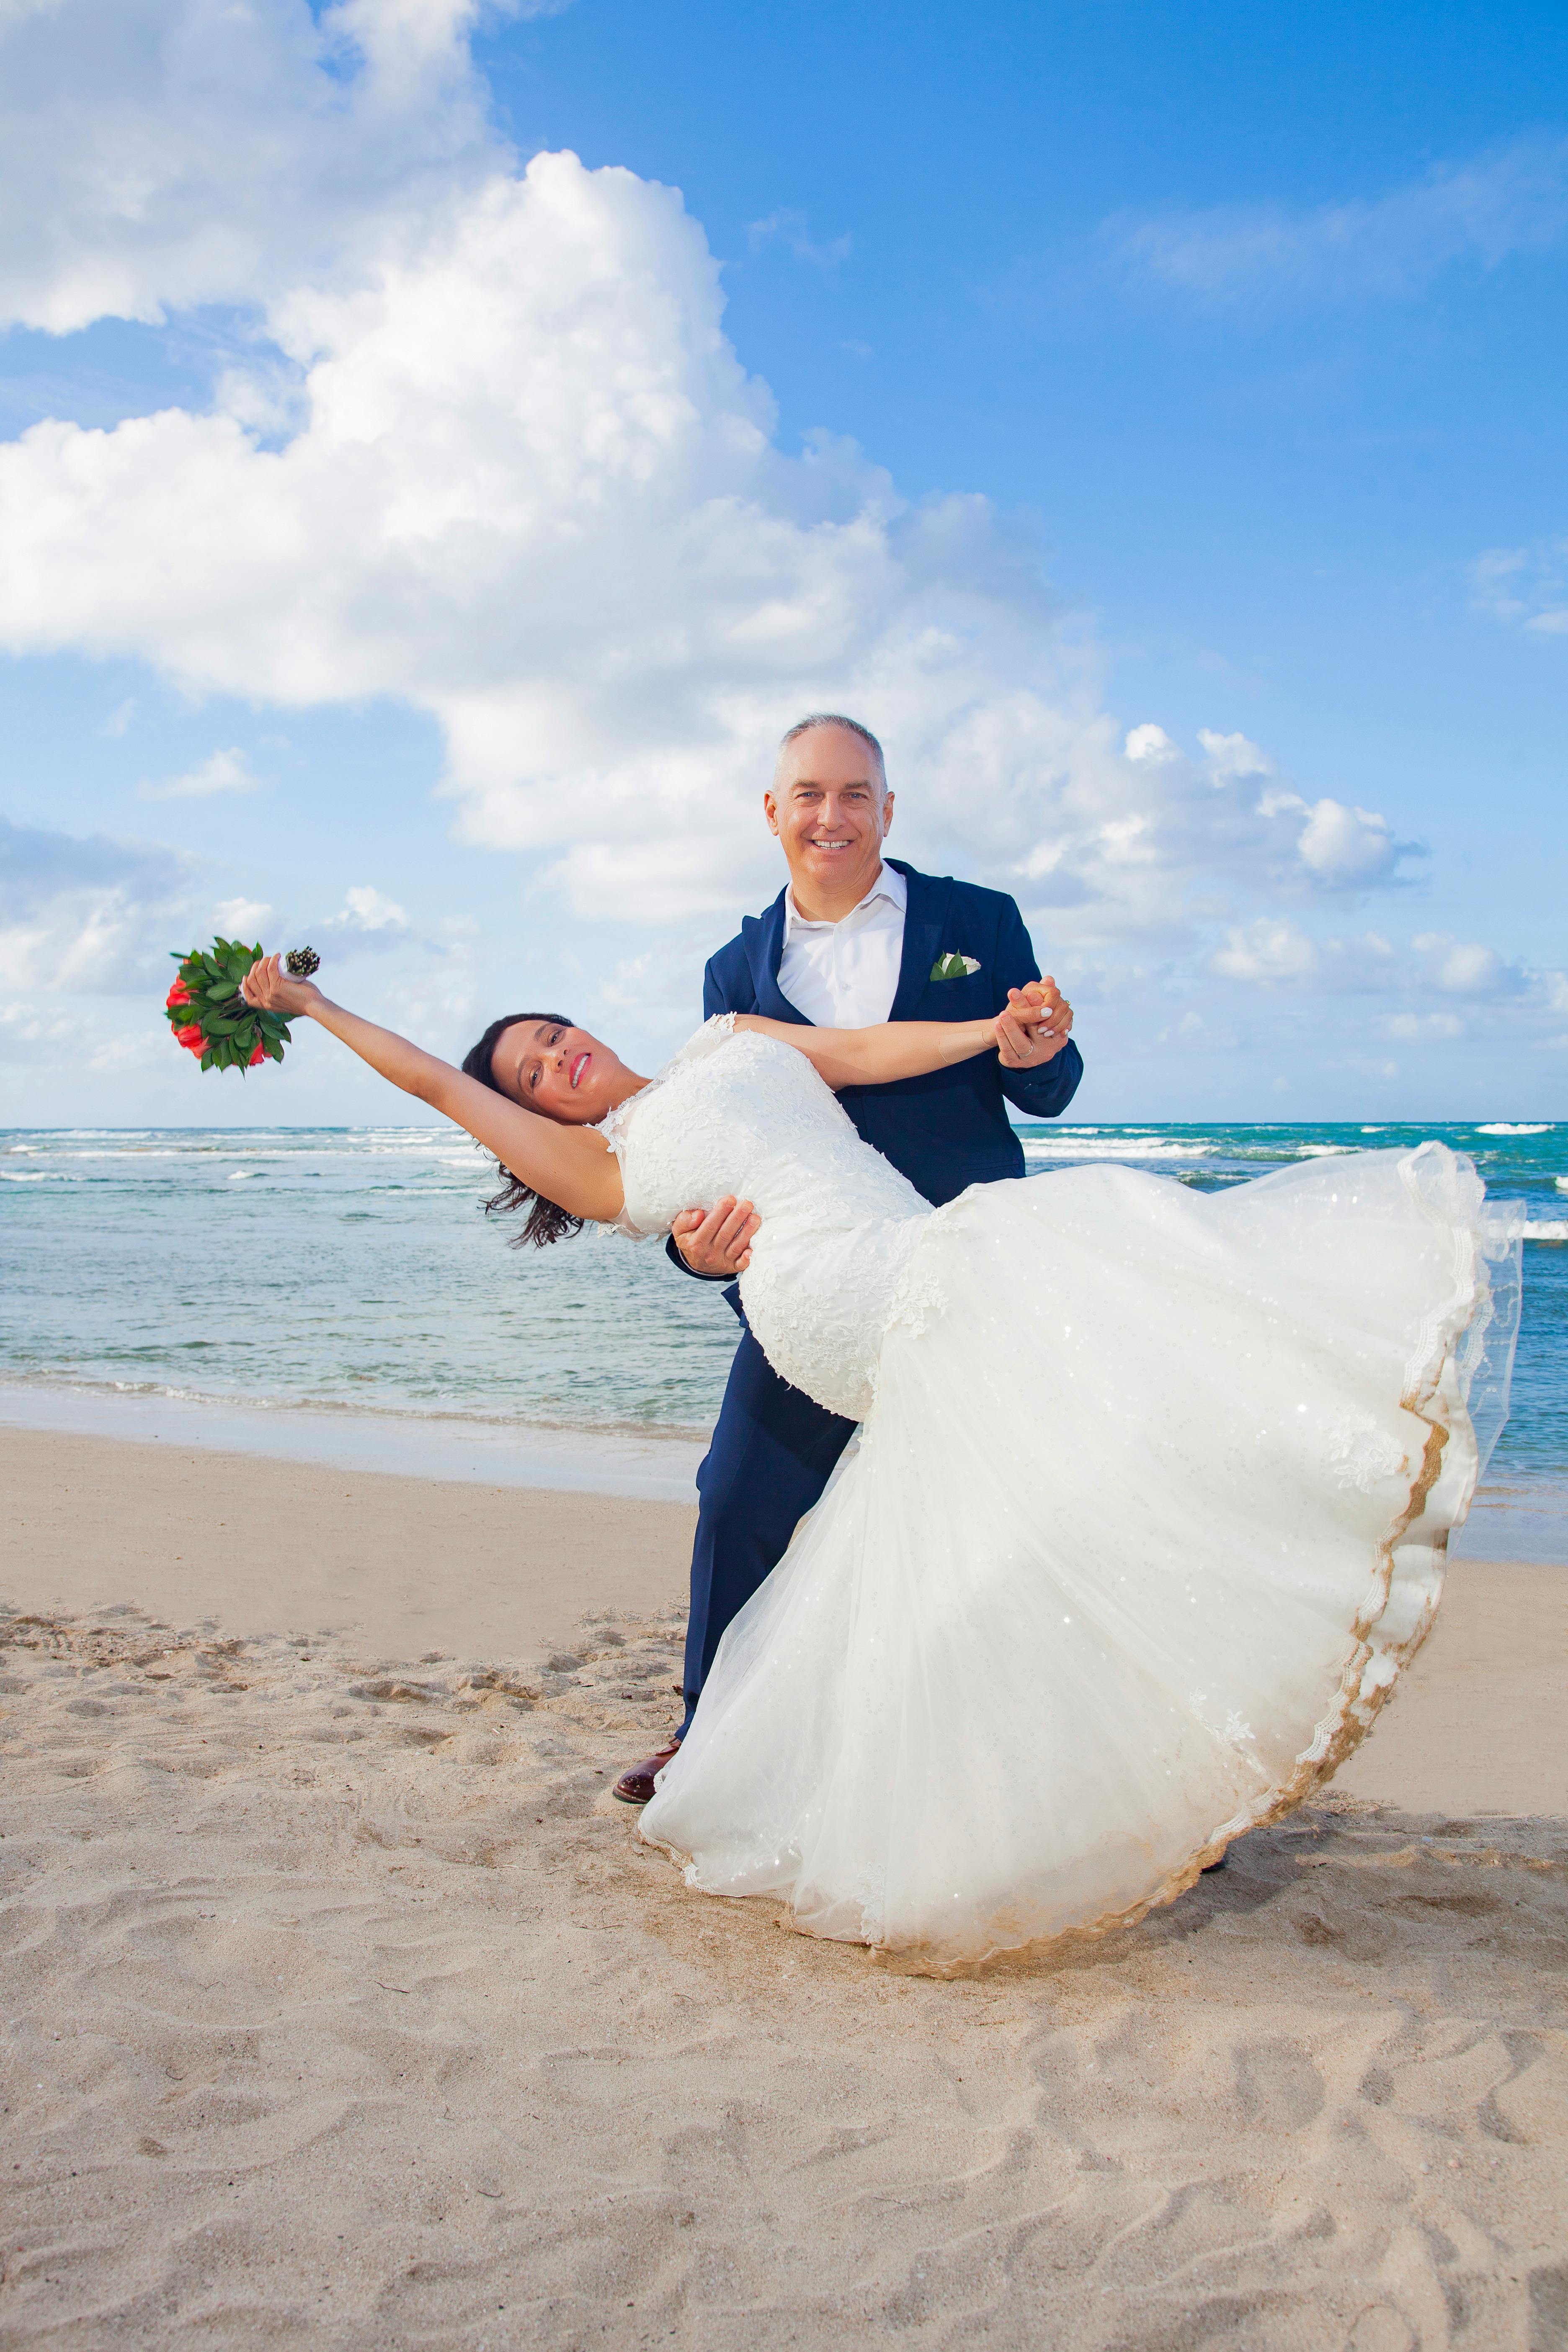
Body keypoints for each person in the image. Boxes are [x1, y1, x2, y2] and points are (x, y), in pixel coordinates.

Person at [240, 948, 1517, 1971]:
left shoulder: (729, 1039)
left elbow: (859, 1054)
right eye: (533, 1072)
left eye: (554, 1032)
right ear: (534, 1113)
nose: (557, 1058)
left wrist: (988, 1039)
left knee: (1065, 1473)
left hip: (921, 1250)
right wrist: (311, 999)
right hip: (839, 1308)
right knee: (1096, 1316)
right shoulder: (599, 1166)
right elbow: (431, 1084)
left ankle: (1131, 1750)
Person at [616, 713, 1084, 1803]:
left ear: (888, 808)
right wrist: (698, 1253)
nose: (834, 816)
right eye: (811, 795)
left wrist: (1040, 1049)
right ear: (774, 812)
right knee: (738, 1501)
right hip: (815, 1292)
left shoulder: (978, 920)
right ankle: (708, 1731)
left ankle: (1079, 1765)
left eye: (856, 794)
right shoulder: (733, 968)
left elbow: (1044, 1088)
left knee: (1016, 1521)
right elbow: (721, 1136)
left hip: (968, 1272)